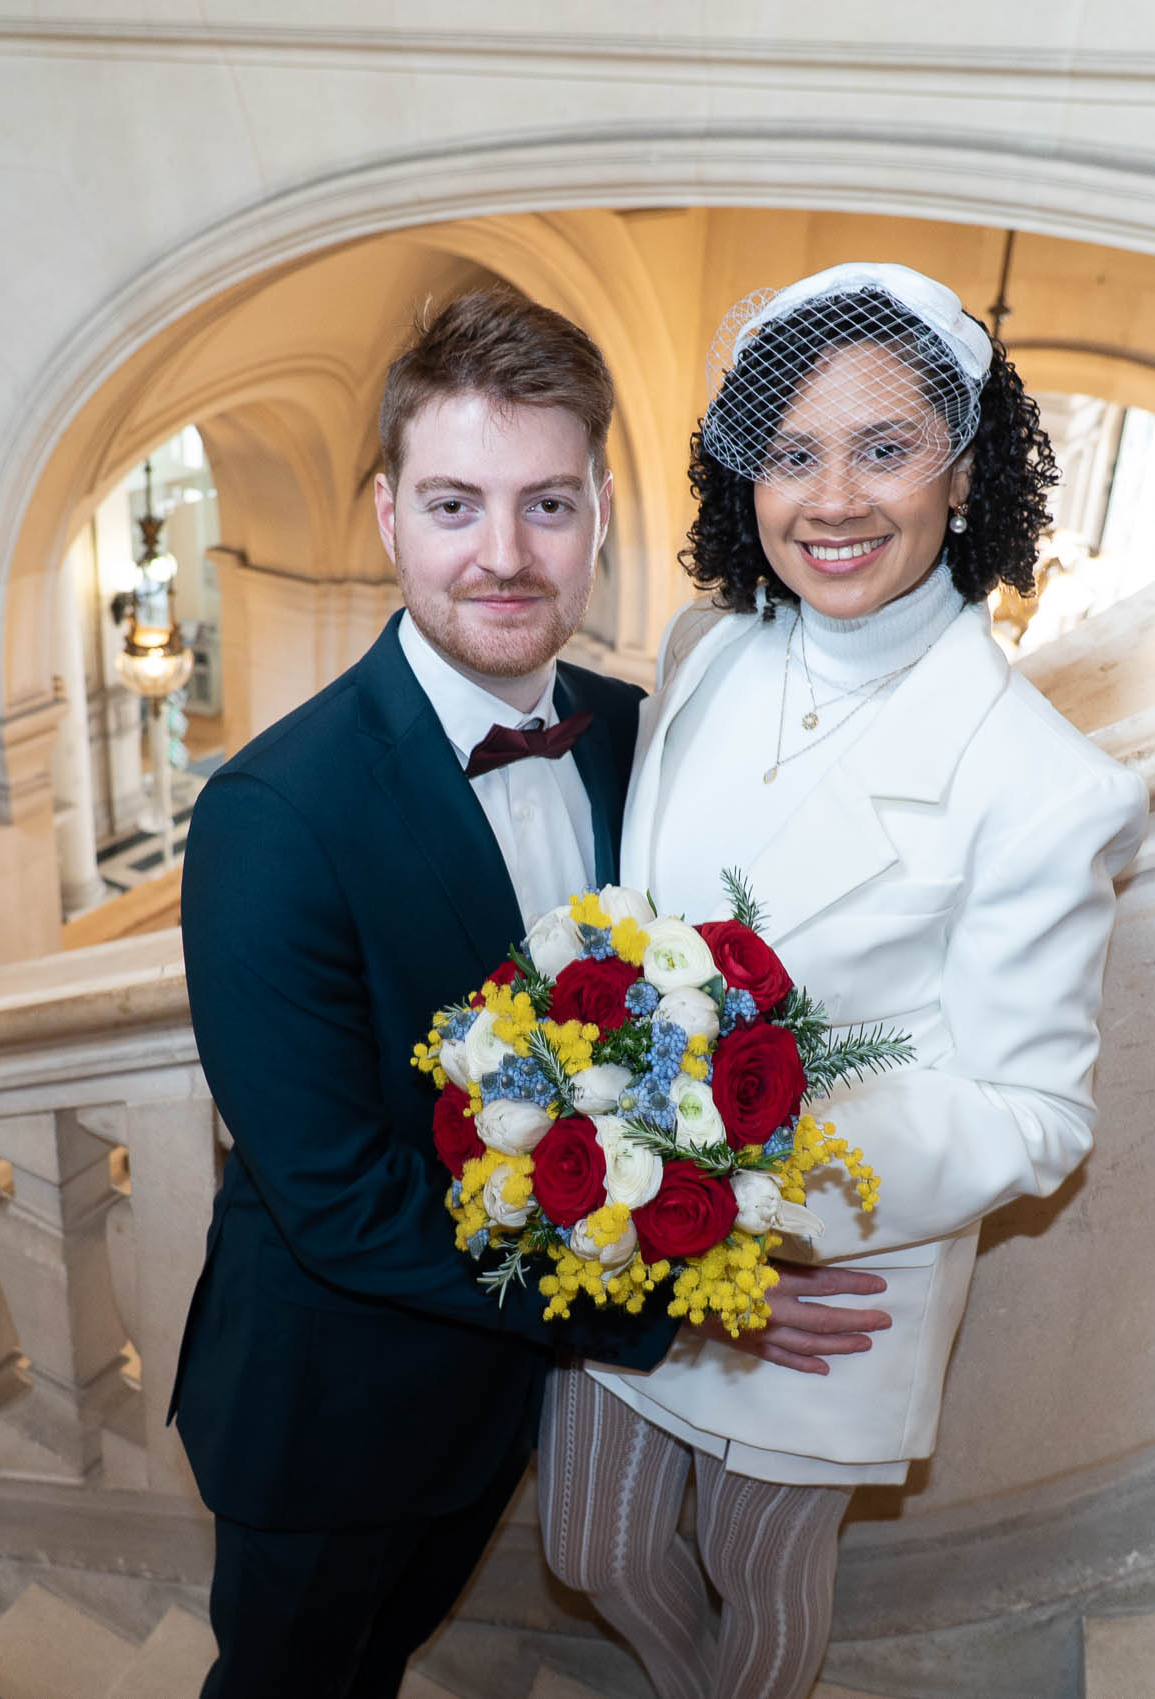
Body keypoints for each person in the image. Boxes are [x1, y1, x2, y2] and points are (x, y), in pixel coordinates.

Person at [172, 288, 889, 1699]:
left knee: (391, 1660)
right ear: (386, 517)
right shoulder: (272, 813)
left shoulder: (638, 738)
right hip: (331, 1410)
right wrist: (673, 1301)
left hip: (502, 1400)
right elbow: (338, 1204)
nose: (502, 557)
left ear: (602, 511)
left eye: (545, 505)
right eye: (453, 505)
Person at [539, 262, 1149, 1699]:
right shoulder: (706, 650)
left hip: (825, 1280)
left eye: (885, 449)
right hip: (631, 1237)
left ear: (967, 466)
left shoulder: (1045, 784)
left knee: (762, 1577)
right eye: (794, 453)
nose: (835, 501)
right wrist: (635, 1183)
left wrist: (749, 1199)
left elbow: (1035, 1116)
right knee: (598, 1552)